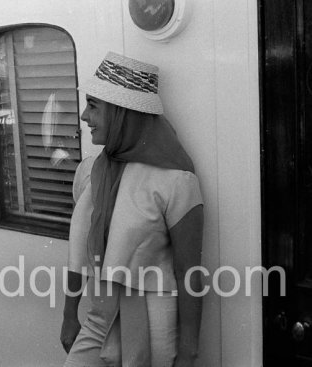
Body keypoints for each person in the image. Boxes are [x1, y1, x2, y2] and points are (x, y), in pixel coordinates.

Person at [60, 52, 204, 367]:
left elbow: (189, 272)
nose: (84, 116)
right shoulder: (91, 171)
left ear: (122, 113)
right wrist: (70, 313)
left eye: (94, 106)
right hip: (101, 313)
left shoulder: (177, 181)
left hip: (154, 322)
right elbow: (81, 250)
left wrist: (189, 351)